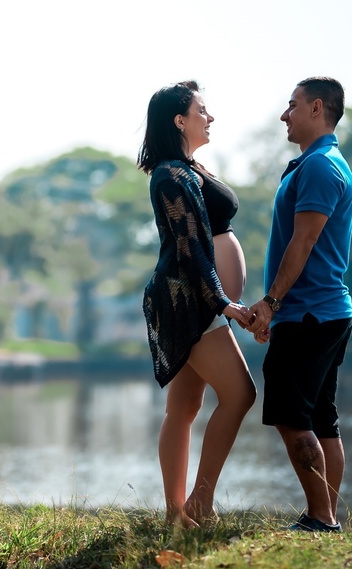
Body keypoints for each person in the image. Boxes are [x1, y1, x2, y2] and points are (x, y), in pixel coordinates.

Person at [138, 80, 256, 528]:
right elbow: (189, 250)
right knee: (240, 393)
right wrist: (224, 303)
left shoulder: (188, 168)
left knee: (184, 408)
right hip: (192, 302)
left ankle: (177, 515)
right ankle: (198, 504)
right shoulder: (170, 175)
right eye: (201, 110)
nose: (210, 117)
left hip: (202, 302)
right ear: (179, 120)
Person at [247, 76, 352, 533]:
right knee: (321, 419)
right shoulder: (315, 163)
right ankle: (324, 516)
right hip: (322, 312)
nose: (284, 115)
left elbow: (304, 241)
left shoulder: (320, 167)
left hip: (310, 313)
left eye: (292, 105)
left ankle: (321, 517)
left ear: (316, 108)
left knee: (292, 416)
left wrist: (271, 302)